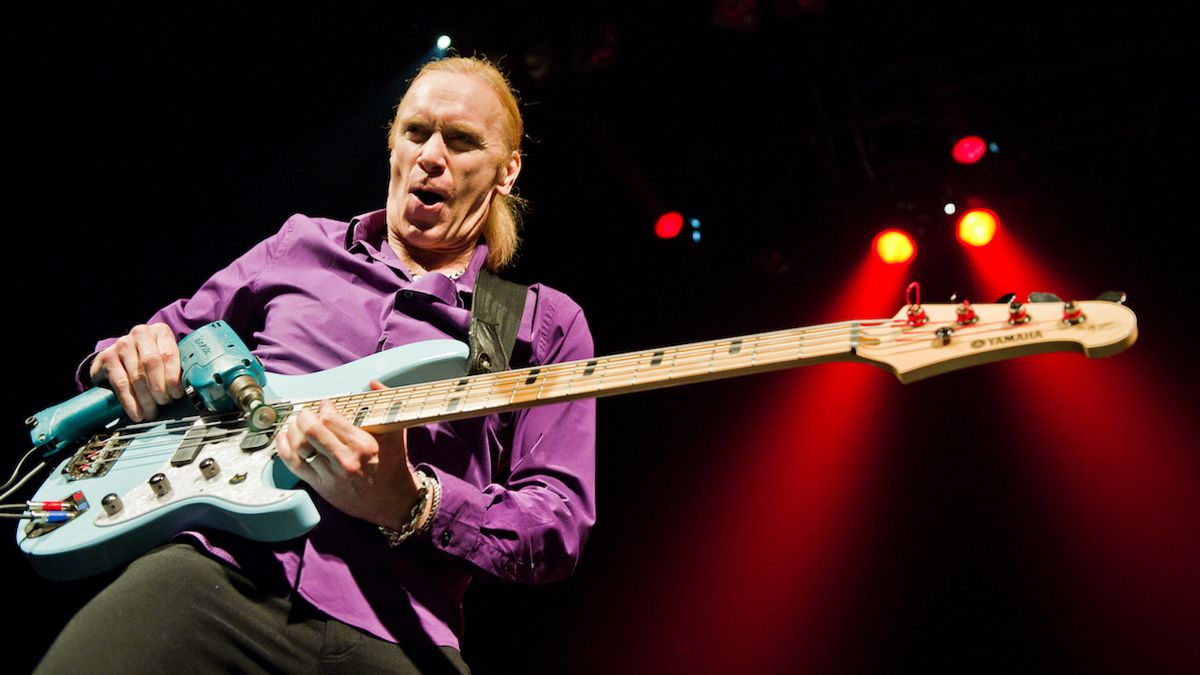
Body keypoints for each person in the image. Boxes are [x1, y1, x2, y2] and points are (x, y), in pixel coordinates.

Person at [36, 56, 595, 674]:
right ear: (392, 145)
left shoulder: (543, 324)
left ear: (506, 171)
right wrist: (128, 356)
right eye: (416, 132)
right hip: (215, 577)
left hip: (400, 627)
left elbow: (556, 526)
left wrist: (412, 502)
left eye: (462, 141)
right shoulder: (299, 246)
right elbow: (158, 339)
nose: (432, 156)